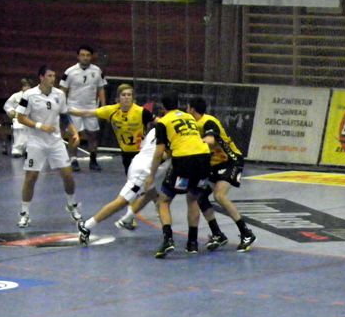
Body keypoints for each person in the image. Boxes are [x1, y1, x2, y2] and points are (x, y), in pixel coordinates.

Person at [144, 91, 211, 258]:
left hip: (184, 161)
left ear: (162, 107)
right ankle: (192, 243)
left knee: (164, 200)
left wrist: (151, 175)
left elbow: (159, 152)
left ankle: (168, 239)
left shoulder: (163, 122)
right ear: (178, 104)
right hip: (204, 158)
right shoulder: (189, 117)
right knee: (193, 198)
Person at [77, 126, 170, 245]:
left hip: (138, 163)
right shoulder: (172, 134)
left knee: (150, 194)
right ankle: (86, 226)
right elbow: (162, 155)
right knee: (122, 201)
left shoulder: (156, 129)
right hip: (144, 171)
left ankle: (128, 218)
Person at [15, 65, 82, 228]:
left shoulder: (59, 94)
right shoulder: (29, 95)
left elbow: (64, 116)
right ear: (41, 77)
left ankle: (72, 205)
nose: (53, 79)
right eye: (50, 76)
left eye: (54, 76)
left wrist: (74, 132)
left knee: (68, 176)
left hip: (55, 142)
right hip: (36, 142)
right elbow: (20, 117)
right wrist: (40, 126)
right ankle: (24, 213)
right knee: (31, 177)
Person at [187, 97, 256, 252]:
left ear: (192, 109)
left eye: (187, 108)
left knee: (219, 195)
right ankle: (217, 234)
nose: (186, 111)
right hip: (215, 164)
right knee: (200, 196)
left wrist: (192, 144)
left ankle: (246, 233)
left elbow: (210, 140)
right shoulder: (192, 125)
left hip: (231, 161)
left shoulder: (208, 122)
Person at [69, 83, 155, 175]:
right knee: (131, 177)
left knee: (138, 179)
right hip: (125, 152)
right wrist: (65, 109)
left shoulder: (141, 112)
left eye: (129, 95)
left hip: (141, 152)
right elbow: (86, 113)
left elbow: (159, 122)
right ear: (118, 98)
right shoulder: (111, 111)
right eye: (123, 95)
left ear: (133, 98)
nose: (126, 97)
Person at [60, 45, 107, 172]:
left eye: (87, 55)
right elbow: (62, 90)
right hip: (73, 108)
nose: (85, 58)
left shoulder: (97, 71)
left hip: (91, 108)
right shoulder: (69, 72)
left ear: (91, 57)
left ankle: (93, 160)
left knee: (93, 135)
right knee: (74, 135)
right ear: (78, 56)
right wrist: (62, 107)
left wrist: (103, 107)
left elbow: (101, 89)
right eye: (82, 55)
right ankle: (73, 160)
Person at [3, 78, 33, 157]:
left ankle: (28, 149)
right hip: (18, 117)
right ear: (22, 87)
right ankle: (17, 149)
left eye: (28, 86)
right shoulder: (16, 96)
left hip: (31, 118)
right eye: (25, 86)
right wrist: (11, 111)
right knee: (19, 127)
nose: (27, 88)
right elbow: (7, 105)